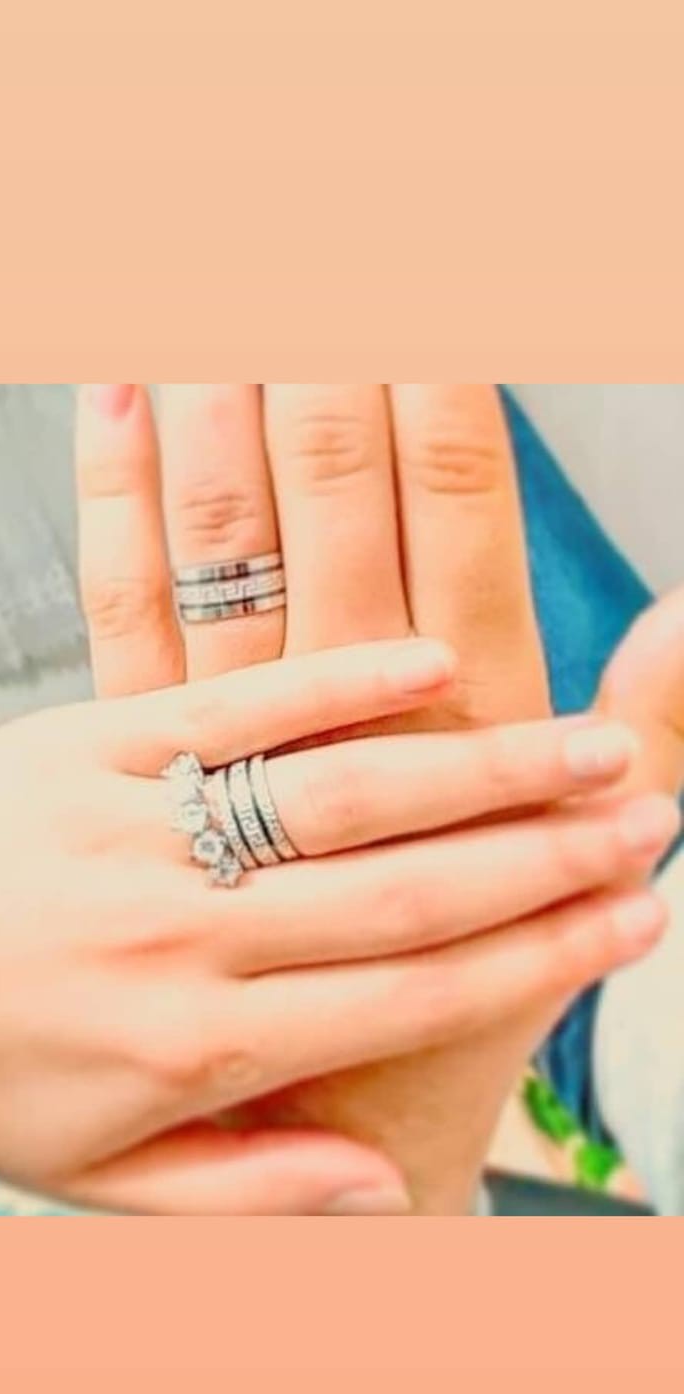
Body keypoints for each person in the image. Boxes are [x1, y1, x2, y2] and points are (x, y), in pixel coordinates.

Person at [75, 383, 684, 1213]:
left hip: (581, 925)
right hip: (592, 880)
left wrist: (384, 1178)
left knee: (398, 450)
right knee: (423, 445)